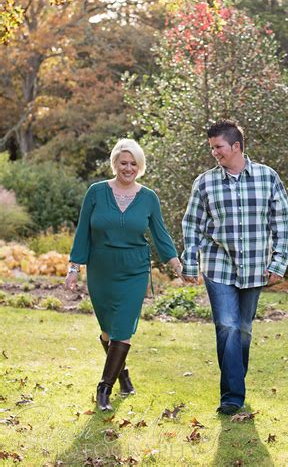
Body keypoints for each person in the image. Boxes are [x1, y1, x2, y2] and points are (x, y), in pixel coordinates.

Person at [181, 119, 288, 415]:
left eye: (218, 147)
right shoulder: (204, 182)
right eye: (212, 148)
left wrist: (279, 262)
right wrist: (190, 262)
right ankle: (232, 396)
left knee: (243, 329)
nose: (214, 153)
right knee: (227, 326)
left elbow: (281, 222)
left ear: (236, 146)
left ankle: (235, 382)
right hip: (218, 266)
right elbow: (193, 224)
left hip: (255, 266)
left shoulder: (268, 178)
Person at [65, 138, 182, 411]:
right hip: (101, 270)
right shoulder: (96, 192)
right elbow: (83, 231)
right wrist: (74, 268)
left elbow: (160, 235)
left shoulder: (148, 197)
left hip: (134, 270)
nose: (127, 168)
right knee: (107, 331)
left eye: (133, 164)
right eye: (123, 163)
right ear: (115, 164)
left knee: (123, 330)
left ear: (139, 166)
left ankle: (104, 389)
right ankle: (123, 374)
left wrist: (177, 266)